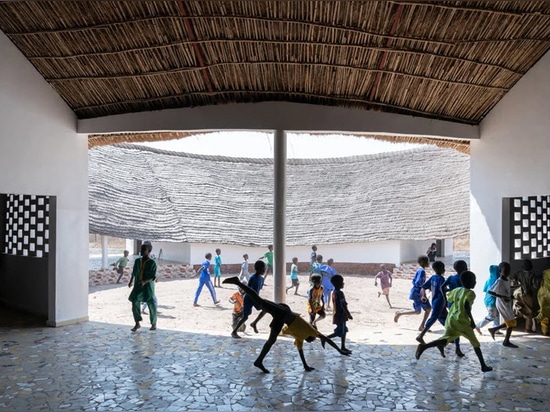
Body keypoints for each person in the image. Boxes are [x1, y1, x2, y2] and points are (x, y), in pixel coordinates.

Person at [223, 276, 351, 373]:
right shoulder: (309, 331)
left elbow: (303, 351)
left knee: (270, 336)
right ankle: (238, 282)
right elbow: (326, 339)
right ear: (309, 337)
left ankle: (259, 361)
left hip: (282, 315)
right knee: (259, 302)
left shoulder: (301, 337)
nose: (313, 338)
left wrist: (306, 366)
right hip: (283, 313)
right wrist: (339, 351)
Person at [415, 271, 493, 373]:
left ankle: (424, 347)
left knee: (446, 338)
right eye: (474, 280)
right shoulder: (471, 294)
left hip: (451, 319)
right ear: (470, 282)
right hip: (462, 322)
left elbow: (444, 291)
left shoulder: (457, 290)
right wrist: (472, 322)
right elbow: (466, 307)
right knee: (475, 343)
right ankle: (483, 366)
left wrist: (446, 303)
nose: (475, 282)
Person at [416, 261, 449, 348]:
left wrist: (423, 295)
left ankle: (450, 335)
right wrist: (446, 301)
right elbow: (443, 291)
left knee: (445, 317)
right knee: (434, 318)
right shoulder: (442, 280)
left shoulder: (433, 278)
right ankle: (421, 335)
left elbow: (423, 286)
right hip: (440, 301)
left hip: (434, 301)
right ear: (442, 269)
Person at [394, 255, 432, 331]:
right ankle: (422, 326)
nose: (428, 263)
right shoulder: (422, 271)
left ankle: (400, 313)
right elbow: (419, 283)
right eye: (427, 262)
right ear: (422, 262)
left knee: (418, 311)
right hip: (419, 293)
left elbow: (414, 281)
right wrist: (424, 292)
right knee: (428, 308)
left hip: (415, 292)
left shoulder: (419, 270)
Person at [128, 241, 157, 332]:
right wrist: (131, 281)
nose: (142, 251)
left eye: (144, 249)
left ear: (149, 251)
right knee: (134, 301)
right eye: (141, 249)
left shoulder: (152, 263)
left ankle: (153, 323)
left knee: (151, 303)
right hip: (137, 285)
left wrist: (144, 282)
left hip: (148, 286)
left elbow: (153, 276)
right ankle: (137, 322)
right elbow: (134, 272)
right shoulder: (137, 261)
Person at [441, 259, 469, 355]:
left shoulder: (451, 278)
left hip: (451, 303)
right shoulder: (464, 279)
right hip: (460, 304)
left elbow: (442, 287)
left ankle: (451, 340)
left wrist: (445, 297)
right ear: (465, 268)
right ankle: (457, 347)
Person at [232, 260, 266, 338]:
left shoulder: (261, 279)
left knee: (265, 309)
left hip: (256, 298)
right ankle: (234, 331)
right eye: (263, 269)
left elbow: (258, 290)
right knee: (245, 316)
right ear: (258, 269)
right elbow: (248, 289)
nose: (264, 271)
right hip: (249, 298)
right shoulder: (252, 278)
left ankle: (254, 323)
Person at [488, 261, 518, 348]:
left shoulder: (507, 279)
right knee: (511, 322)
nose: (507, 272)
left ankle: (494, 329)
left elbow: (507, 288)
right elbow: (490, 291)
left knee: (511, 321)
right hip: (501, 303)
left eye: (508, 270)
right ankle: (506, 341)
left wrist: (513, 289)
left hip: (506, 302)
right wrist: (502, 296)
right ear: (500, 271)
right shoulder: (499, 281)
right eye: (505, 271)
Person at [510, 259, 541, 332]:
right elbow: (535, 286)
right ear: (531, 267)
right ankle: (527, 329)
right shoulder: (532, 275)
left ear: (521, 266)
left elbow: (513, 283)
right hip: (527, 295)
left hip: (517, 294)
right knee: (529, 313)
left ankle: (515, 318)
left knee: (517, 307)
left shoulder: (518, 274)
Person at [326, 274, 353, 354]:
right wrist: (348, 314)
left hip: (338, 314)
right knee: (340, 331)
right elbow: (343, 305)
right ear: (338, 284)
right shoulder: (340, 293)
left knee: (344, 330)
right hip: (340, 315)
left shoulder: (334, 292)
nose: (343, 283)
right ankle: (326, 338)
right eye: (342, 282)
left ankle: (343, 346)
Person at [476, 265, 501, 333]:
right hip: (492, 301)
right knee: (492, 316)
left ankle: (496, 329)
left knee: (496, 315)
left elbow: (485, 289)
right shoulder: (497, 280)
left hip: (488, 300)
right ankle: (478, 325)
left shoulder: (489, 279)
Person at [535, 268, 550, 335]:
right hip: (548, 293)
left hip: (542, 293)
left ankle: (545, 330)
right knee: (545, 312)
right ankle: (536, 320)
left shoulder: (545, 272)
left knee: (543, 310)